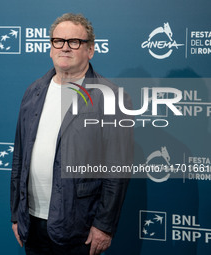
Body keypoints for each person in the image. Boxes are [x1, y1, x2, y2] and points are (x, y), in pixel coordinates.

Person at [10, 13, 133, 255]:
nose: (65, 47)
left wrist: (104, 226)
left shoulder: (111, 98)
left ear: (90, 50)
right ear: (50, 47)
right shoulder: (33, 92)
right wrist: (17, 213)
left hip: (80, 229)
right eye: (58, 41)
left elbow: (117, 172)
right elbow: (19, 157)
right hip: (32, 223)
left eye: (74, 42)